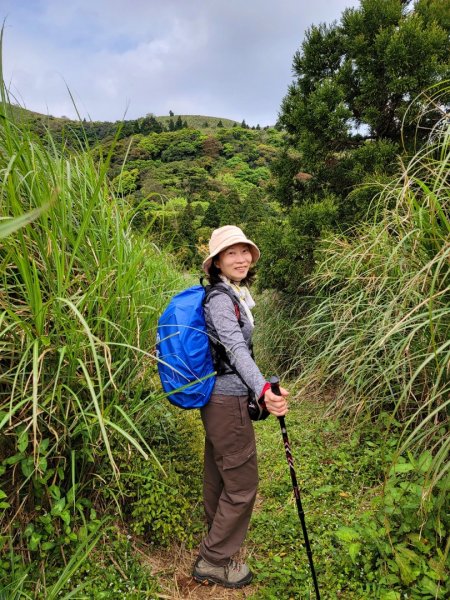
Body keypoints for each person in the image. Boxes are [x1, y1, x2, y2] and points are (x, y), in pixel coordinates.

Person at [192, 225, 289, 589]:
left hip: (221, 398)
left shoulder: (234, 294)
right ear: (216, 261)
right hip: (227, 401)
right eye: (231, 252)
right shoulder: (220, 299)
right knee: (243, 483)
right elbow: (235, 350)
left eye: (245, 250)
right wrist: (263, 389)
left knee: (219, 472)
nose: (241, 258)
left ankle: (215, 533)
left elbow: (236, 352)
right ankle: (213, 561)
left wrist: (258, 384)